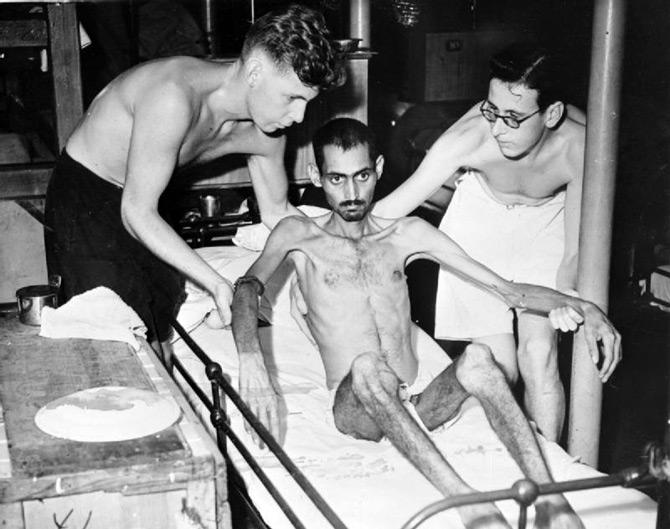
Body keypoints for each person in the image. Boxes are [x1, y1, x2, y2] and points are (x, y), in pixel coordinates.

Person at [231, 118, 621, 529]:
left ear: (378, 168)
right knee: (367, 366)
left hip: (414, 403)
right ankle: (471, 506)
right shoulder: (299, 234)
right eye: (336, 179)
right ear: (316, 176)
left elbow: (508, 290)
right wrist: (250, 357)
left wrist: (586, 307)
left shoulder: (408, 233)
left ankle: (551, 503)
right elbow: (246, 287)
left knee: (479, 358)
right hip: (355, 410)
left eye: (362, 176)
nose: (351, 193)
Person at [44, 4, 344, 350]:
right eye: (292, 97)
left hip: (144, 197)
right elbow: (136, 212)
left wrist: (336, 255)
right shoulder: (174, 97)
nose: (298, 116)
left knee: (159, 322)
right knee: (113, 335)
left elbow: (278, 213)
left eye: (307, 101)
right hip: (87, 195)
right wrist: (215, 283)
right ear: (255, 72)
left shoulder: (266, 135)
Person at [373, 43, 590, 442]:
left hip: (546, 222)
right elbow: (394, 206)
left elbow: (575, 248)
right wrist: (325, 236)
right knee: (497, 365)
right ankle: (506, 468)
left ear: (553, 114)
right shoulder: (472, 136)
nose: (498, 128)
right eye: (492, 111)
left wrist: (567, 293)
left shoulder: (580, 146)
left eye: (513, 117)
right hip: (480, 215)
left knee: (539, 355)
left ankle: (552, 472)